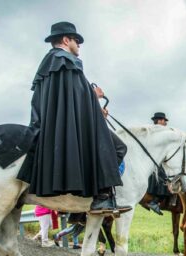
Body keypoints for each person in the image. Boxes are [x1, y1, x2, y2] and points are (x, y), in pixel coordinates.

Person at [17, 21, 130, 214]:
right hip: (72, 125)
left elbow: (68, 101)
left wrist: (95, 110)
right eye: (76, 40)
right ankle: (102, 197)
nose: (79, 45)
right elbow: (79, 96)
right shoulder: (67, 60)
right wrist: (95, 97)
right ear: (66, 39)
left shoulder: (47, 65)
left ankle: (78, 214)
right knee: (119, 147)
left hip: (55, 125)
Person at [146, 112, 173, 215]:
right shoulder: (159, 132)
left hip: (155, 158)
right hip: (156, 160)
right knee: (166, 179)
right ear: (160, 120)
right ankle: (155, 201)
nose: (165, 123)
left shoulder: (151, 131)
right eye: (164, 121)